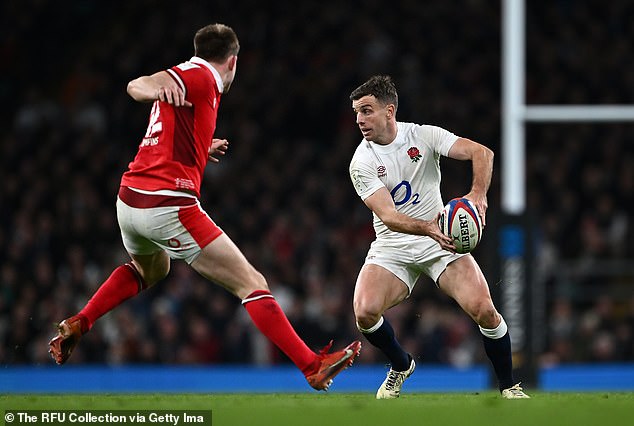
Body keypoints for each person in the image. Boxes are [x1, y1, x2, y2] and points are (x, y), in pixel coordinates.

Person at [48, 23, 361, 391]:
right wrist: (154, 86)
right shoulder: (199, 75)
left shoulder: (196, 86)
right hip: (168, 204)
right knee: (252, 284)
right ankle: (312, 365)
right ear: (233, 61)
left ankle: (80, 322)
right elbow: (137, 85)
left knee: (152, 269)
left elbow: (169, 129)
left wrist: (201, 146)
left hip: (130, 201)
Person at [347, 75, 529, 399]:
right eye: (357, 112)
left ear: (389, 111)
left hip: (441, 243)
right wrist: (431, 228)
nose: (360, 119)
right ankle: (401, 365)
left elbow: (482, 153)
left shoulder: (423, 135)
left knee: (484, 309)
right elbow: (388, 217)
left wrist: (478, 193)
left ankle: (508, 388)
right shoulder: (361, 161)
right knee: (364, 311)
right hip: (394, 245)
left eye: (367, 110)